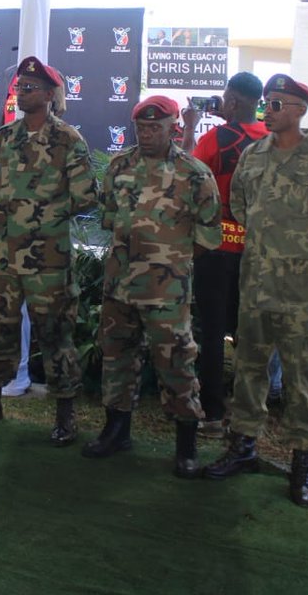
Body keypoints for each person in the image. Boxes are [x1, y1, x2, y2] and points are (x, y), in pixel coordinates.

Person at [204, 75, 308, 507]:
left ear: (300, 110)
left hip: (302, 291)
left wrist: (303, 247)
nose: (268, 110)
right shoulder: (253, 156)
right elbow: (238, 205)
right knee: (249, 368)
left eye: (277, 104)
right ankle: (243, 447)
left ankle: (302, 464)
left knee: (300, 378)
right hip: (256, 282)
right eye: (267, 103)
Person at [0, 57, 99, 444]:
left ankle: (65, 411)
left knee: (55, 332)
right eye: (20, 87)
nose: (22, 93)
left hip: (49, 257)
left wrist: (42, 212)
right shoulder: (4, 138)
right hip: (5, 254)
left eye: (31, 88)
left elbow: (86, 197)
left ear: (50, 96)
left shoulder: (68, 140)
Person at [81, 95, 221, 477]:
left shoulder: (194, 174)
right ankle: (116, 430)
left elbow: (208, 238)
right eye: (141, 127)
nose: (146, 134)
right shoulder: (119, 167)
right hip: (120, 286)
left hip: (167, 292)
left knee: (176, 362)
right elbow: (109, 217)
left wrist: (170, 262)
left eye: (155, 127)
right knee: (116, 358)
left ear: (173, 127)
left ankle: (186, 446)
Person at [180, 71, 268, 438]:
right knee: (253, 335)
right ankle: (249, 414)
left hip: (216, 249)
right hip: (259, 252)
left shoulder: (216, 138)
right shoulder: (271, 140)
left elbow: (186, 171)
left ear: (231, 101)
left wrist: (190, 127)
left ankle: (213, 415)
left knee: (212, 333)